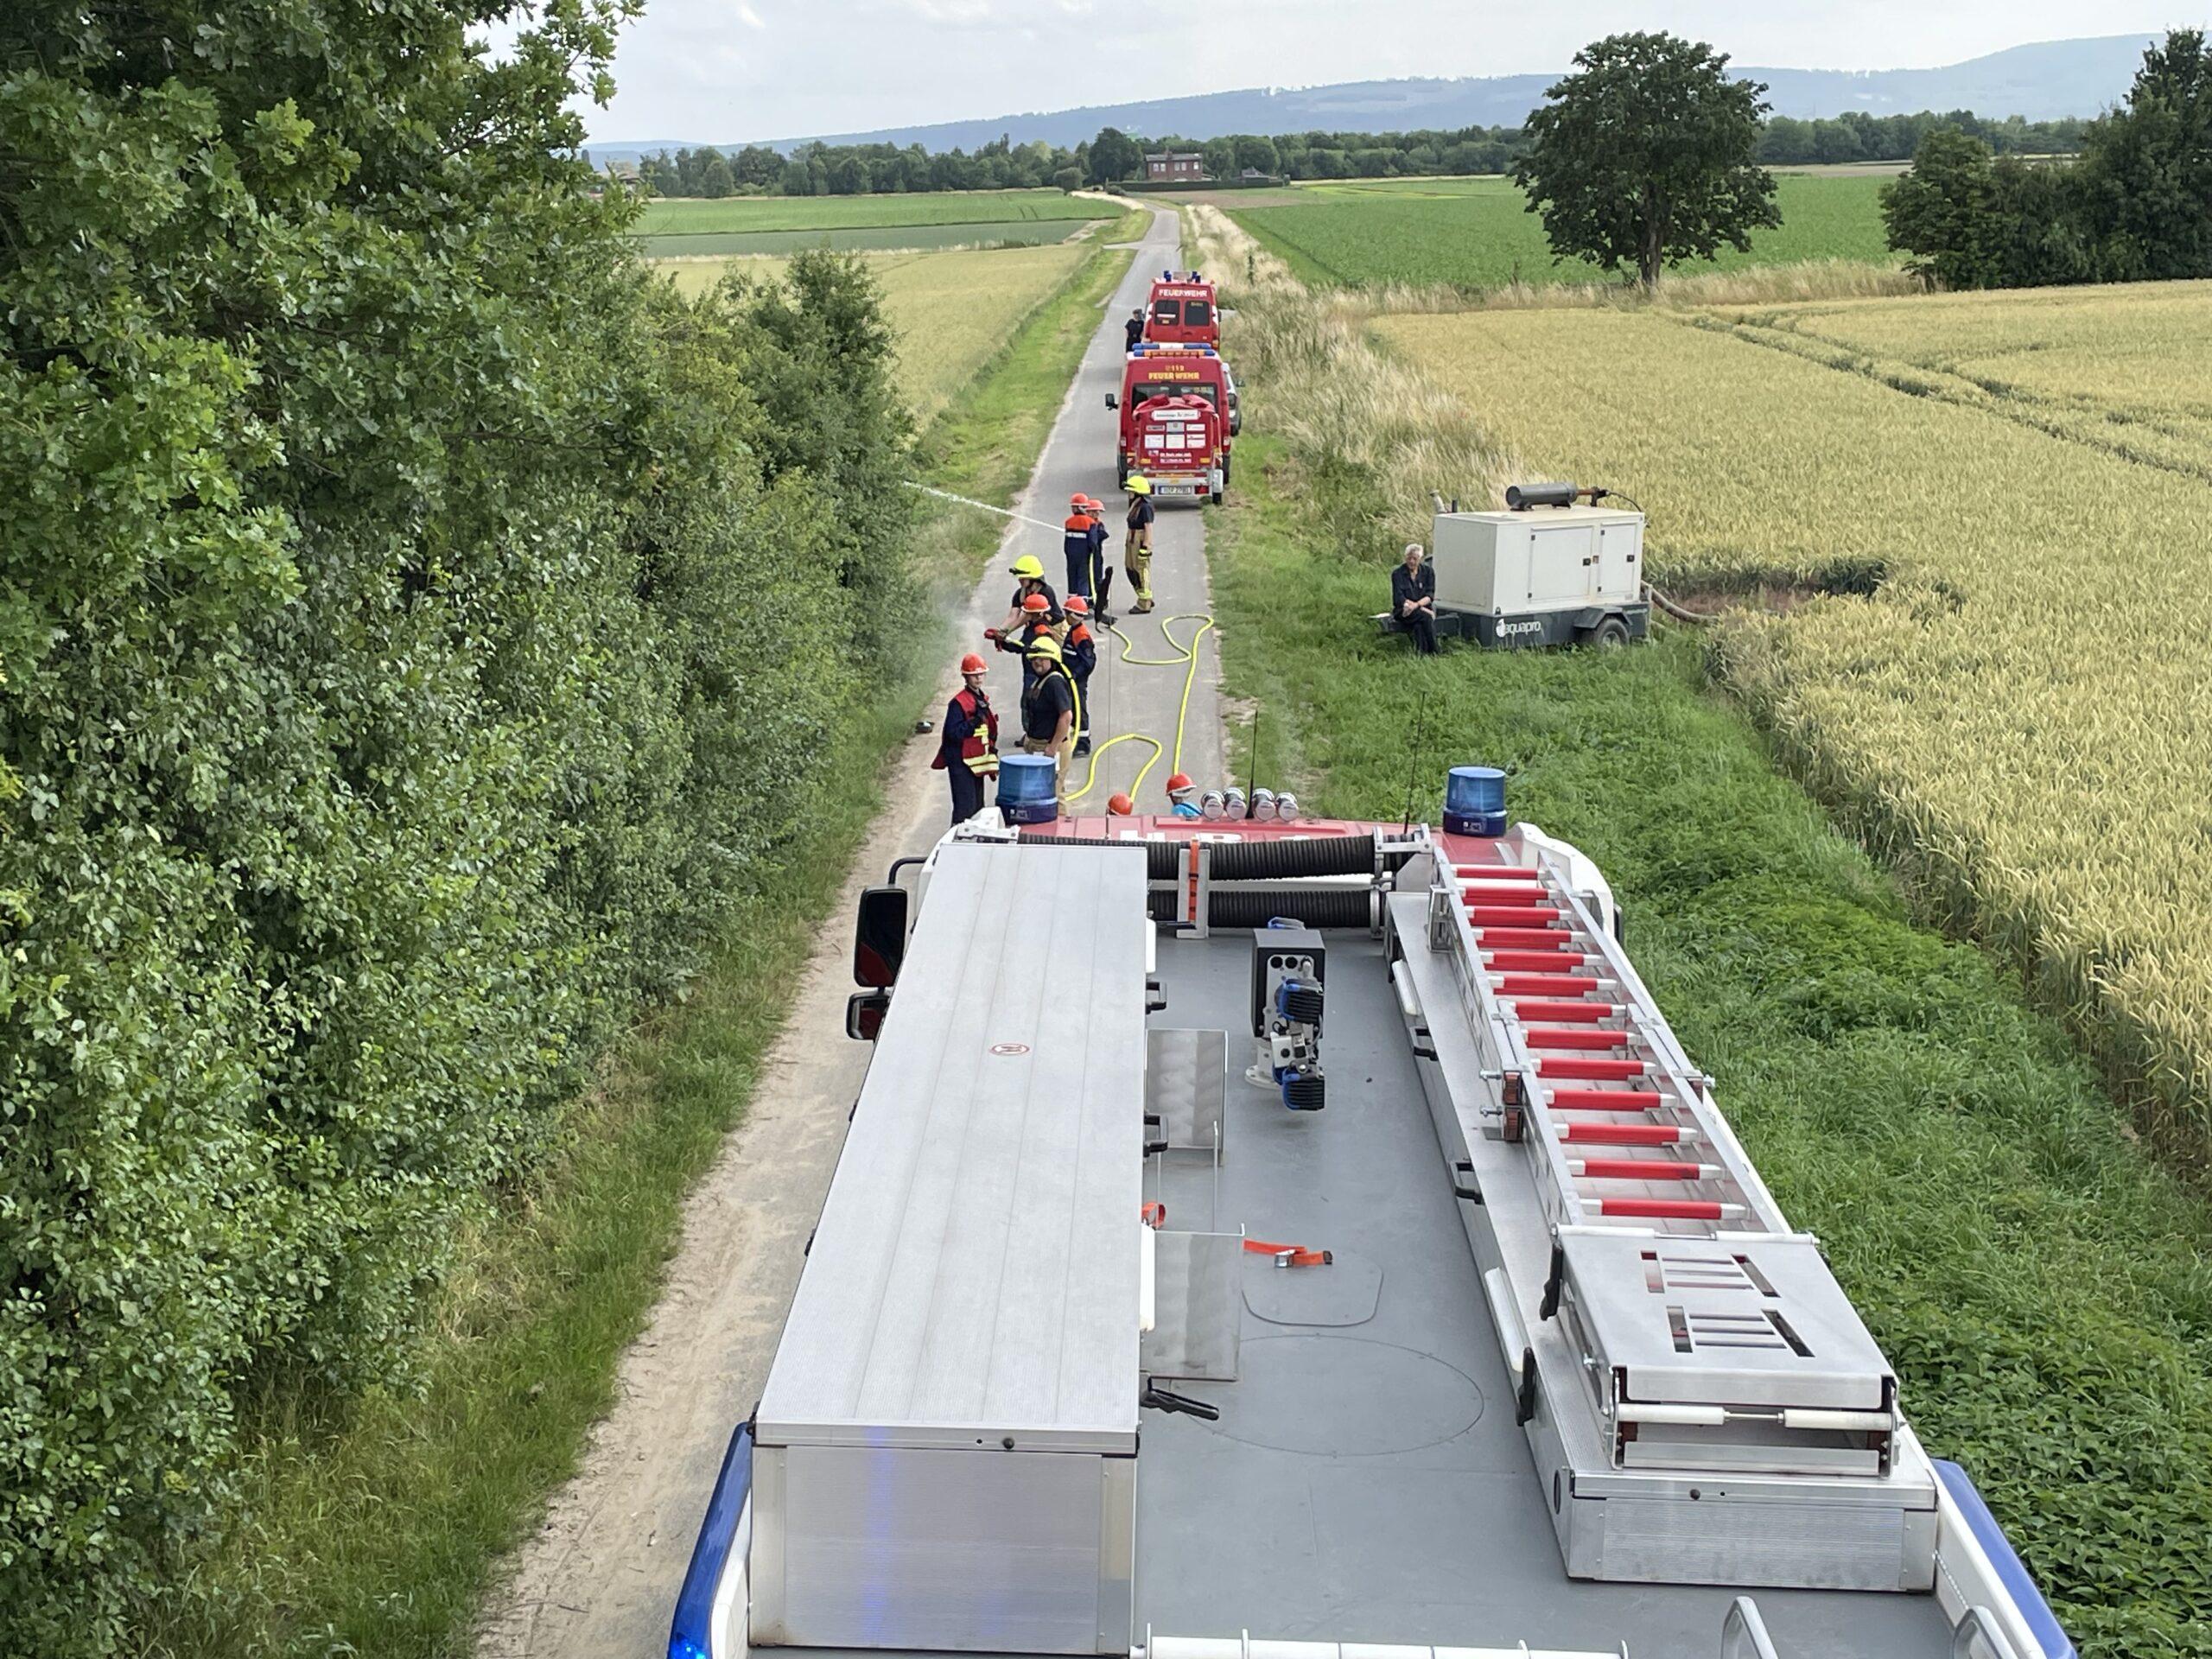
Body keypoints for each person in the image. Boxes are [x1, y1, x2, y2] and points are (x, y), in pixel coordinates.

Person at [931, 652, 999, 823]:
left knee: (977, 807)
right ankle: (957, 840)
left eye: (981, 674)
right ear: (966, 677)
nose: (978, 678)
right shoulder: (958, 703)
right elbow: (953, 733)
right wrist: (974, 721)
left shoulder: (980, 698)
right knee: (964, 808)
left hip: (975, 763)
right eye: (974, 675)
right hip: (961, 763)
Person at [1020, 634, 1079, 798]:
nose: (1036, 662)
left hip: (1051, 748)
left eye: (1041, 658)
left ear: (1051, 659)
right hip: (1039, 746)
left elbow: (1066, 716)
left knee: (1051, 795)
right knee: (1041, 794)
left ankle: (1059, 822)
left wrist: (1053, 747)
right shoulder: (1041, 681)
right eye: (1034, 659)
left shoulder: (1054, 683)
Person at [1062, 595, 1097, 754]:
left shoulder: (1081, 635)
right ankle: (1075, 738)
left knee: (1079, 708)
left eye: (1067, 613)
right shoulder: (1074, 631)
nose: (1065, 616)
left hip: (1077, 681)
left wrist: (1075, 675)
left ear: (1073, 615)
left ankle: (1083, 742)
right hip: (1071, 678)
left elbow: (1089, 661)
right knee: (1073, 708)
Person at [1392, 541, 1439, 655]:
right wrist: (1417, 608)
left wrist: (1417, 605)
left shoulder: (1428, 572)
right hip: (1404, 611)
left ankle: (1421, 652)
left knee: (1419, 624)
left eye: (1415, 559)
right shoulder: (1397, 574)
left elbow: (1430, 595)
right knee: (1426, 618)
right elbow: (1399, 598)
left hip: (1421, 608)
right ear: (1405, 558)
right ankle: (1435, 651)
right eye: (1409, 558)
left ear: (1420, 559)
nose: (1411, 561)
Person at [1000, 554, 1061, 635]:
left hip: (1053, 629)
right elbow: (1012, 616)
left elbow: (1027, 616)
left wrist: (1007, 631)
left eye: (1023, 578)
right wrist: (999, 630)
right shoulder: (1021, 594)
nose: (1019, 580)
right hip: (1035, 627)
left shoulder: (1046, 592)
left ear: (1033, 579)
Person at [1124, 477, 1157, 613]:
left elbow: (1148, 528)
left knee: (1141, 571)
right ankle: (1146, 598)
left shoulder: (1145, 507)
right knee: (1130, 569)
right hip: (1131, 538)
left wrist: (1146, 547)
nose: (1129, 493)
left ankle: (1144, 603)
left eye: (1131, 490)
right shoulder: (1137, 504)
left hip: (1139, 540)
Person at [1081, 495, 1115, 620]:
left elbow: (1103, 535)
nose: (1096, 514)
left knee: (1097, 577)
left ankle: (1101, 600)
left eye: (1097, 512)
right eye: (1093, 511)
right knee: (1087, 578)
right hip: (1086, 555)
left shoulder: (1099, 524)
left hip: (1096, 556)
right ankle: (1090, 599)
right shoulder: (1085, 523)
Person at [1062, 493, 1096, 601]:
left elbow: (1066, 541)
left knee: (1072, 577)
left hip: (1071, 555)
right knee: (1083, 578)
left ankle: (1072, 600)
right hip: (1084, 555)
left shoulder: (1068, 522)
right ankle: (1083, 602)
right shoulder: (1090, 522)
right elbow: (1093, 541)